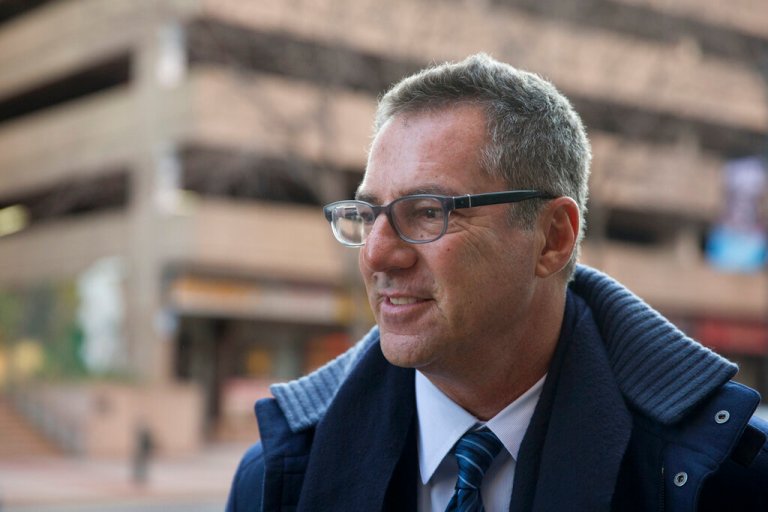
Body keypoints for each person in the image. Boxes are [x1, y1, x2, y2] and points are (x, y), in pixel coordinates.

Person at [226, 54, 768, 511]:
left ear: (553, 237)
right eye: (368, 215)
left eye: (428, 211)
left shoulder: (727, 475)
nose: (377, 253)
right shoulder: (277, 480)